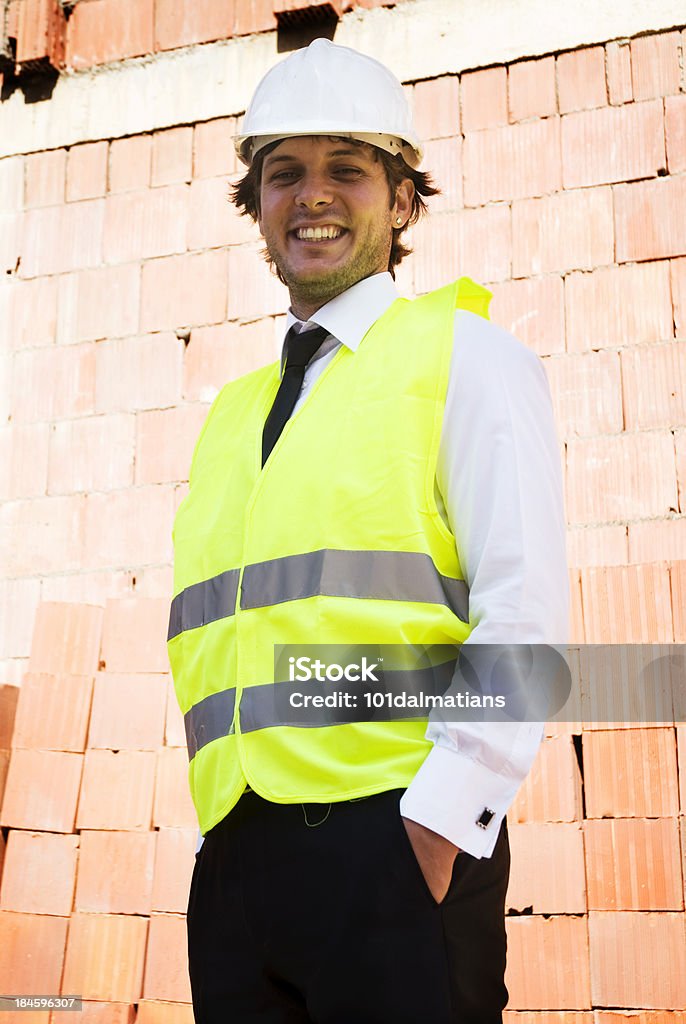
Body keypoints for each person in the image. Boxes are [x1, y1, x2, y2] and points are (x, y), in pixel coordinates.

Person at [167, 37, 568, 1024]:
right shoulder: (232, 412)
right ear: (255, 208)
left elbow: (523, 615)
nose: (311, 195)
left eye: (345, 168)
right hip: (236, 872)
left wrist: (434, 832)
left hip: (391, 856)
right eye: (283, 173)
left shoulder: (461, 359)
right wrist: (227, 857)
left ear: (400, 202)